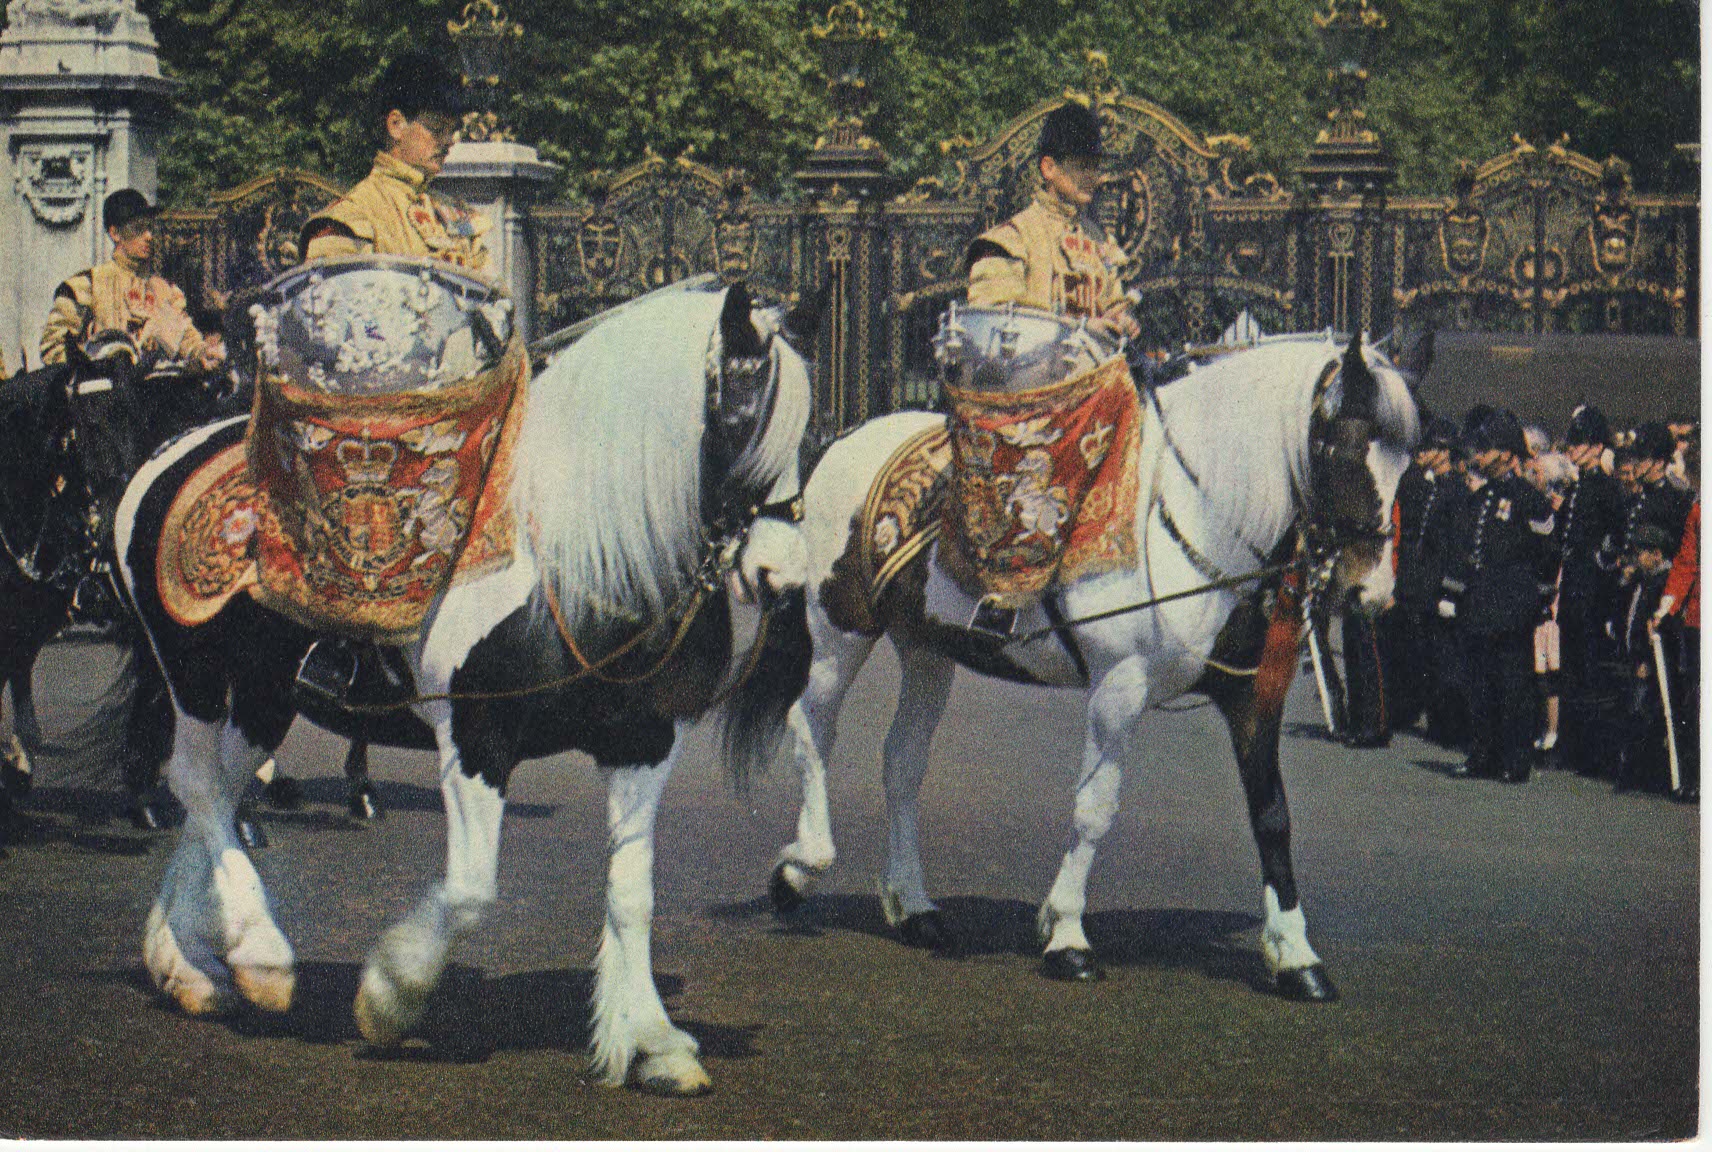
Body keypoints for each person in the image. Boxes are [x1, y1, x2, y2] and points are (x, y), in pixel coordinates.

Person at [1440, 408, 1557, 784]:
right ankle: (1482, 755)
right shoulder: (1482, 497)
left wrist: (1538, 598)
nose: (1479, 456)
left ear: (1507, 454)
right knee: (1480, 685)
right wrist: (1455, 594)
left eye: (1487, 449)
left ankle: (1515, 760)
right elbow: (1468, 548)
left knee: (1513, 687)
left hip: (1511, 607)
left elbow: (1547, 554)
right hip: (1480, 605)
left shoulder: (1529, 499)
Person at [300, 50, 490, 275]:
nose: (450, 140)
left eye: (451, 130)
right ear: (396, 125)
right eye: (437, 129)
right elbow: (336, 294)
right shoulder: (350, 217)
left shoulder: (455, 214)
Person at [965, 101, 1138, 341]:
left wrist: (1122, 320)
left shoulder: (1101, 241)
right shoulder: (1012, 238)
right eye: (1082, 166)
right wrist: (1078, 329)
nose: (1093, 177)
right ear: (1048, 168)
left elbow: (1114, 305)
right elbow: (992, 327)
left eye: (1095, 167)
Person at [39, 189, 225, 370]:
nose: (149, 236)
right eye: (138, 229)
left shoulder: (165, 290)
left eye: (149, 228)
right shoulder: (87, 285)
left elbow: (187, 339)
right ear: (115, 233)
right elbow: (53, 347)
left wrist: (203, 353)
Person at [1554, 404, 1625, 778]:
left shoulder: (1606, 488)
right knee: (1572, 668)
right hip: (1574, 587)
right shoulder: (1579, 487)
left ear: (1598, 448)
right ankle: (1571, 746)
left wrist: (1601, 560)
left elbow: (1618, 535)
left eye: (1580, 443)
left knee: (1590, 671)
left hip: (1593, 590)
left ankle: (1593, 753)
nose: (1572, 449)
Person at [1650, 436, 1698, 802]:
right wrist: (1666, 605)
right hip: (1698, 618)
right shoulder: (1698, 510)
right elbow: (1686, 562)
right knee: (1695, 699)